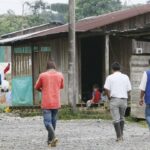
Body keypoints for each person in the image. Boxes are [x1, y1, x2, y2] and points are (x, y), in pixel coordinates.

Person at [35, 61, 64, 147]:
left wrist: (42, 90)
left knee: (47, 122)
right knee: (53, 122)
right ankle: (50, 141)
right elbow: (61, 86)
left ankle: (53, 137)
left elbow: (36, 87)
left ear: (47, 67)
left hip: (46, 102)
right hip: (56, 102)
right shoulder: (60, 75)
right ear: (55, 67)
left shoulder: (42, 75)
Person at [104, 62, 131, 142]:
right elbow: (129, 89)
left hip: (114, 99)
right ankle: (121, 135)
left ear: (112, 69)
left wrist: (109, 97)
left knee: (116, 119)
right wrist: (126, 97)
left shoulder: (110, 77)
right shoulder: (125, 77)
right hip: (124, 99)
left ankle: (119, 137)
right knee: (122, 117)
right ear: (120, 69)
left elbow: (106, 89)